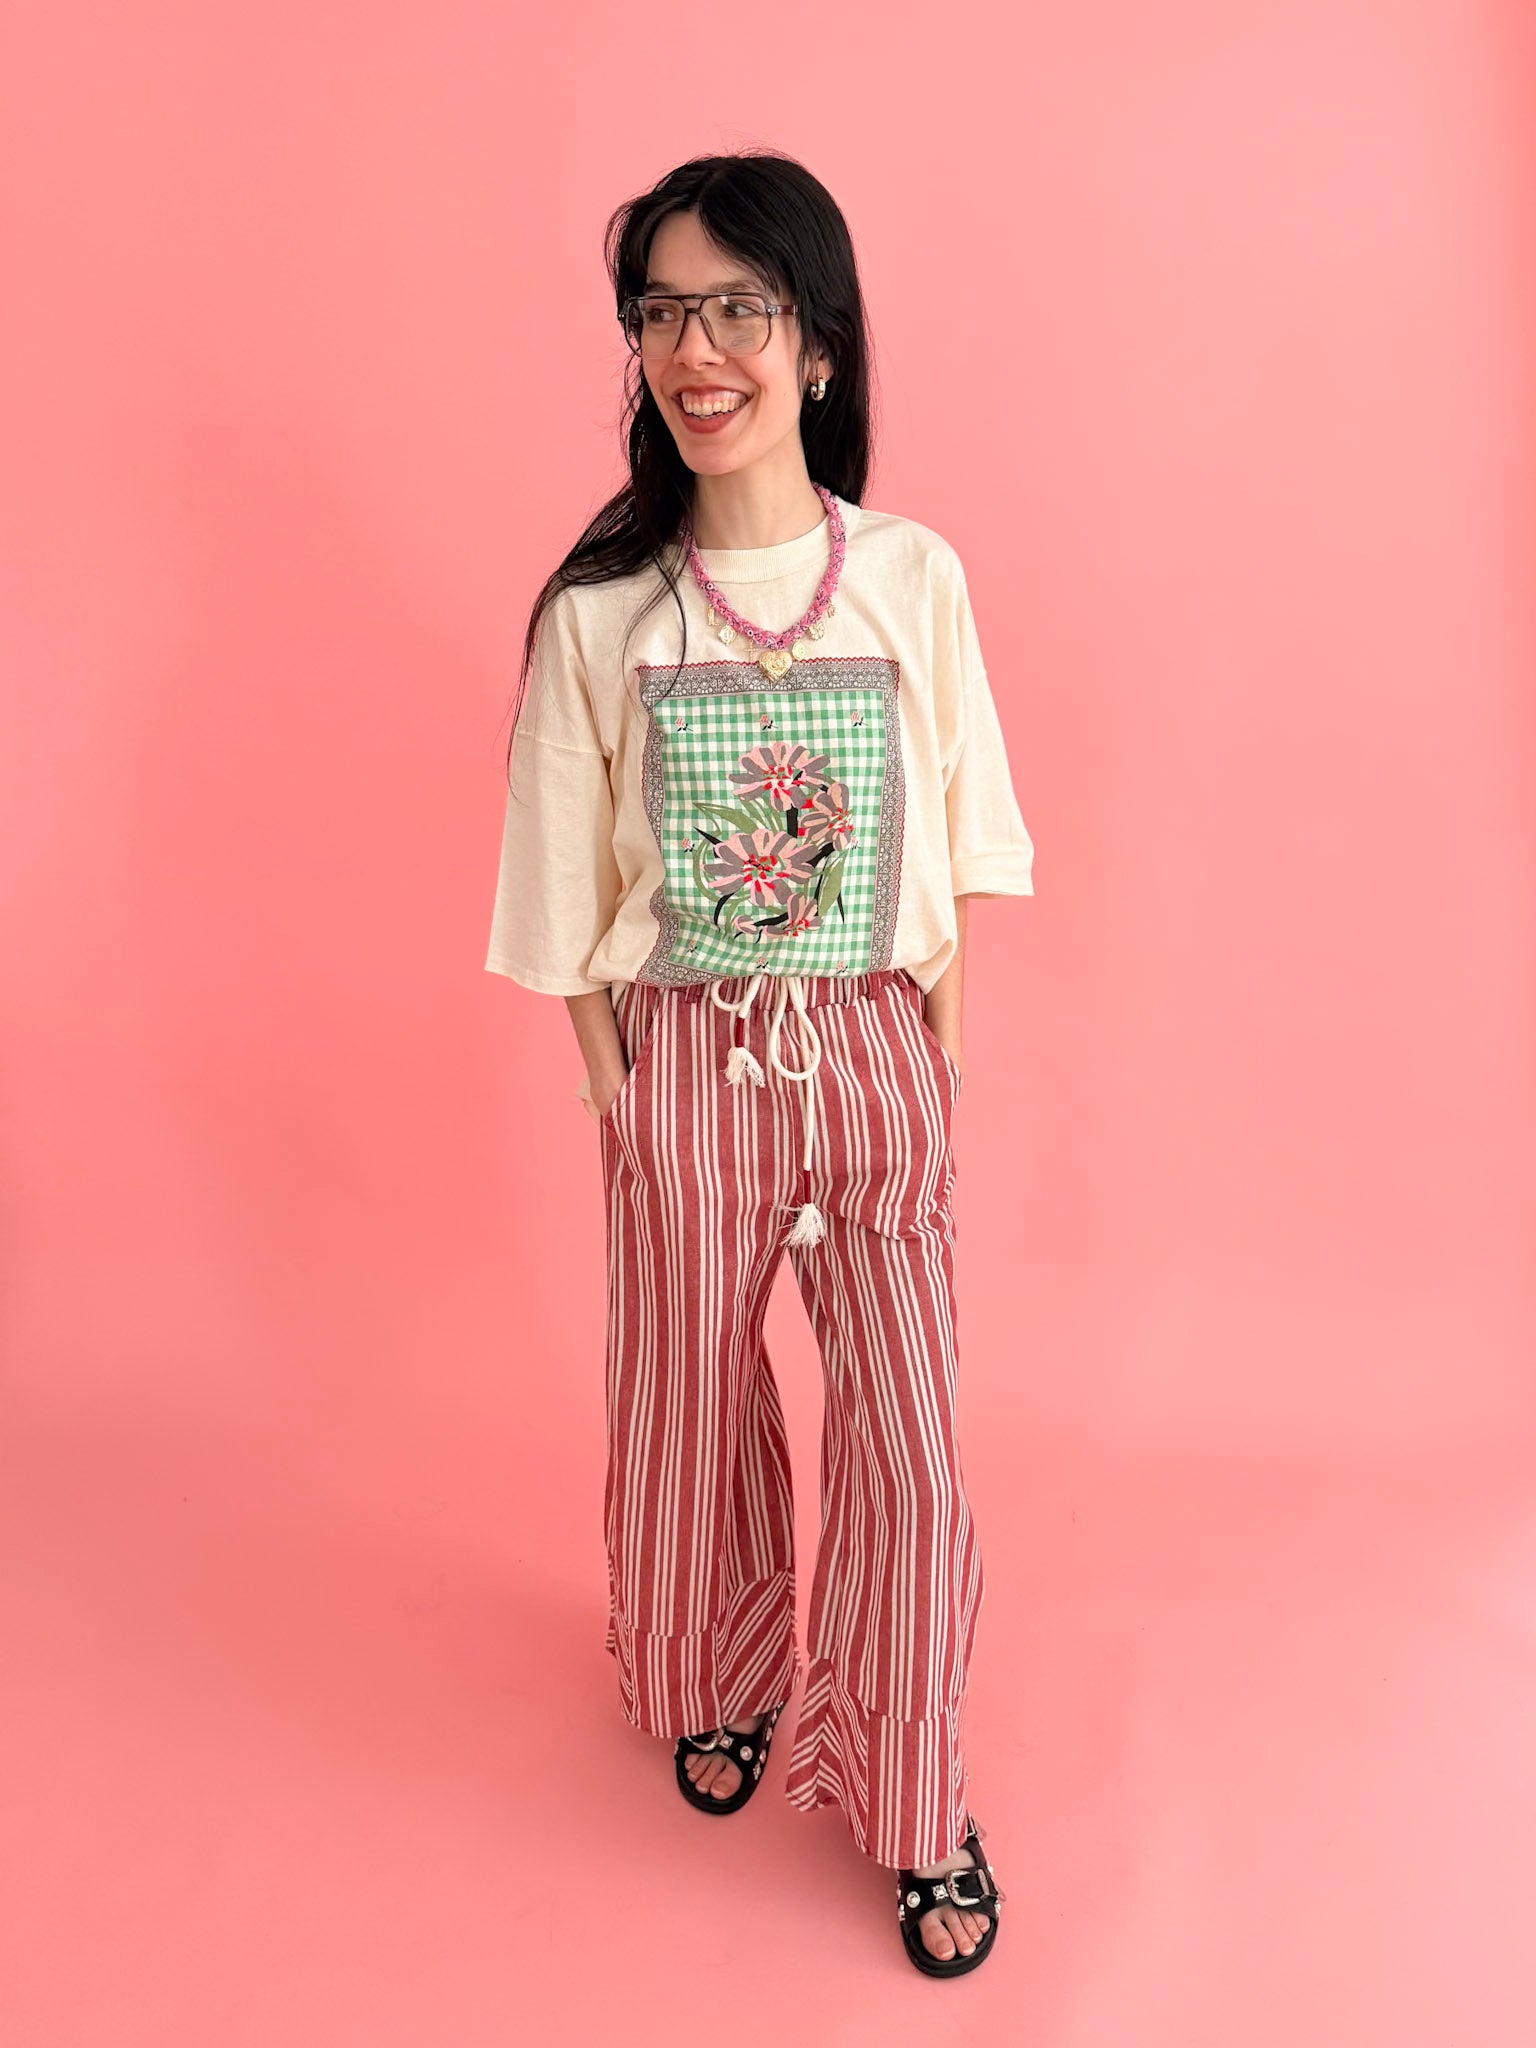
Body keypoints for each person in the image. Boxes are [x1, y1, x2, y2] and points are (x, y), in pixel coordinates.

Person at [484, 151, 1034, 1976]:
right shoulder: (602, 615)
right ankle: (716, 1673)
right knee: (688, 1408)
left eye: (739, 307)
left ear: (817, 343)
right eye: (663, 312)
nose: (696, 350)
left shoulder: (912, 576)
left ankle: (917, 1787)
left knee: (912, 1446)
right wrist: (621, 1091)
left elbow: (965, 828)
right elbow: (558, 887)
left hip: (870, 1049)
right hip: (685, 1061)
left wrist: (935, 1056)